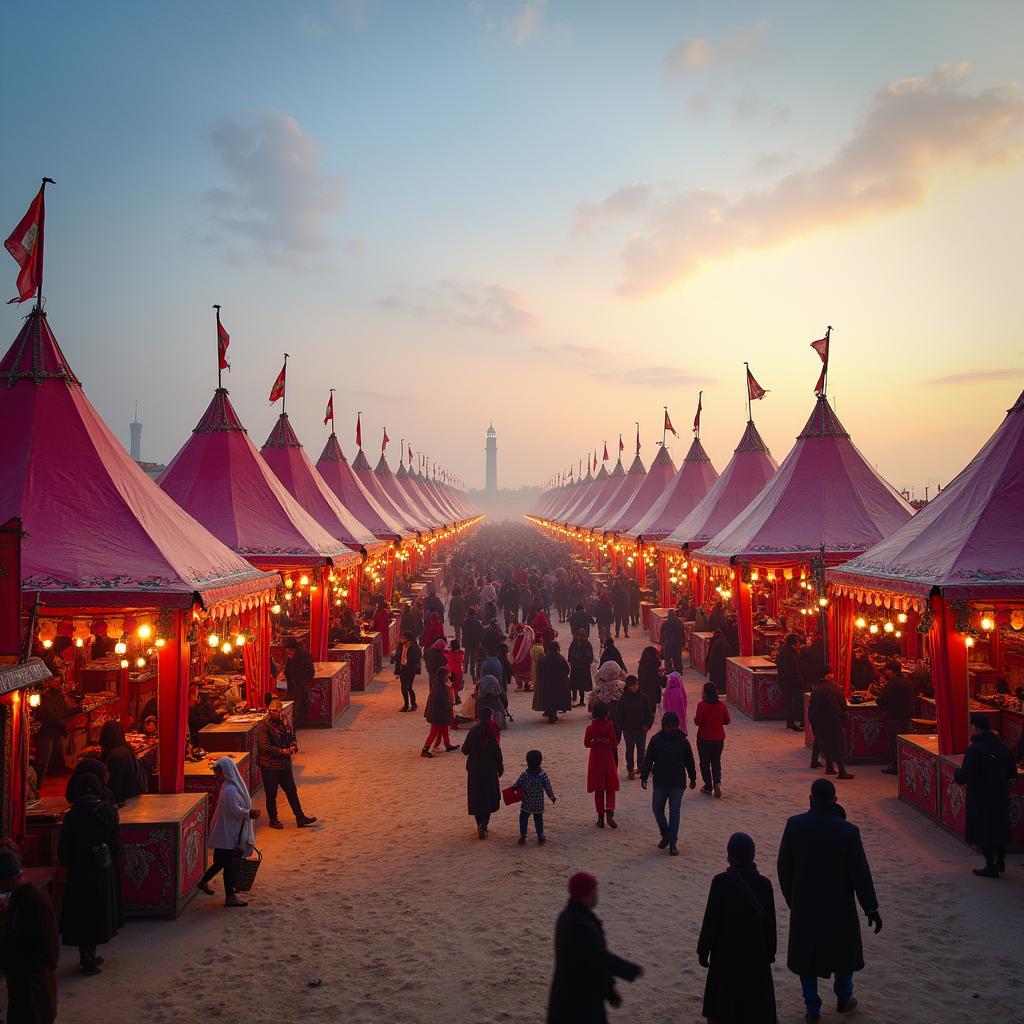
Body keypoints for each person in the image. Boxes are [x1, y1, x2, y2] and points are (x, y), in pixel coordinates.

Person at [777, 779, 882, 1020]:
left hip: (805, 904)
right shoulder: (848, 831)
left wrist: (792, 897)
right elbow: (860, 873)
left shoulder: (795, 825)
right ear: (835, 800)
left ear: (810, 798)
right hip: (839, 906)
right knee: (843, 953)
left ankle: (812, 1007)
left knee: (807, 958)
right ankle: (844, 998)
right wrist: (871, 907)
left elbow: (784, 866)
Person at [696, 832, 777, 1024]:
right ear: (753, 856)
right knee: (755, 1009)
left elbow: (711, 921)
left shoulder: (720, 882)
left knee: (722, 1009)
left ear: (729, 856)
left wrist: (703, 950)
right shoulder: (765, 885)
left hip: (725, 956)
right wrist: (770, 952)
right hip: (756, 956)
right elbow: (770, 924)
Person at [546, 872, 642, 1024]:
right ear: (585, 895)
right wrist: (630, 970)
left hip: (573, 998)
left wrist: (610, 992)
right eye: (594, 891)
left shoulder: (568, 916)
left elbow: (593, 961)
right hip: (578, 1004)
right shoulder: (581, 925)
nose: (597, 894)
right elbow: (599, 958)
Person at [58, 774, 123, 974]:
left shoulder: (72, 816)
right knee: (97, 913)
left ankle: (86, 956)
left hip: (79, 872)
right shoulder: (107, 812)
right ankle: (90, 958)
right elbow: (115, 842)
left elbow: (64, 851)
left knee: (82, 913)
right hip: (101, 870)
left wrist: (72, 863)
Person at [0, 844, 59, 1022]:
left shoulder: (34, 901)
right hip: (22, 980)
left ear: (8, 879)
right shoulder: (18, 897)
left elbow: (49, 952)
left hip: (33, 983)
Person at [954, 713, 1018, 878]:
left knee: (984, 830)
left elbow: (966, 775)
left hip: (981, 796)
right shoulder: (1003, 747)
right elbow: (1012, 772)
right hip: (1000, 795)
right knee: (998, 827)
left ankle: (991, 864)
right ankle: (1000, 860)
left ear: (975, 727)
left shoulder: (975, 749)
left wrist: (957, 774)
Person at [197, 756, 261, 907]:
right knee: (228, 865)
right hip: (228, 833)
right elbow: (235, 811)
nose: (217, 776)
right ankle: (230, 897)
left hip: (226, 832)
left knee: (220, 862)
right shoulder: (231, 789)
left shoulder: (229, 787)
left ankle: (204, 882)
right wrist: (249, 813)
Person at [640, 711, 696, 855]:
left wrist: (693, 777)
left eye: (674, 726)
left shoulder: (683, 742)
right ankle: (667, 835)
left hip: (677, 783)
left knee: (674, 812)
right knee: (657, 809)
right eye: (669, 726)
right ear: (664, 726)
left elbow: (689, 761)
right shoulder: (656, 740)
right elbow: (648, 760)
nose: (672, 728)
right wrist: (644, 775)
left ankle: (672, 841)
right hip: (661, 781)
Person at [258, 699, 316, 828]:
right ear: (269, 711)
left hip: (284, 764)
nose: (277, 713)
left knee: (291, 790)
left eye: (279, 711)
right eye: (274, 711)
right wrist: (281, 751)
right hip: (269, 765)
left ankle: (300, 817)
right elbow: (264, 746)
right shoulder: (264, 726)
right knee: (271, 794)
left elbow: (290, 736)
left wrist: (293, 745)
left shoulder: (284, 722)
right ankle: (273, 820)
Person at [462, 706, 503, 839]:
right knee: (487, 797)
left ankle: (479, 824)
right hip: (490, 769)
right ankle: (484, 825)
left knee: (476, 797)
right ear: (490, 717)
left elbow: (465, 750)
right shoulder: (493, 730)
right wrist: (500, 767)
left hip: (475, 768)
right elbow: (497, 751)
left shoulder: (474, 730)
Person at [807, 673, 854, 779]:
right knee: (838, 745)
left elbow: (812, 709)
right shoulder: (836, 688)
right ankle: (842, 771)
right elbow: (843, 706)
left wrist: (814, 723)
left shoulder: (816, 690)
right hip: (833, 720)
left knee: (825, 743)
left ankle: (829, 767)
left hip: (820, 721)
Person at [875, 659, 915, 775]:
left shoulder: (892, 684)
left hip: (894, 718)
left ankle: (895, 767)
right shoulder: (908, 682)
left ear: (891, 671)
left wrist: (877, 698)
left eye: (886, 670)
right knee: (906, 743)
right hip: (907, 717)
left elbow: (883, 701)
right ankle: (906, 765)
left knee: (894, 743)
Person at [584, 703, 620, 829]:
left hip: (595, 761)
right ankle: (610, 811)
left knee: (599, 790)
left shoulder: (590, 728)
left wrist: (595, 741)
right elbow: (615, 744)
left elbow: (586, 744)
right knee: (610, 787)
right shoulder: (610, 726)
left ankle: (600, 818)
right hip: (608, 759)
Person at [694, 681, 731, 798]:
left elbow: (697, 721)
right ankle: (717, 782)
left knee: (704, 763)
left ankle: (708, 786)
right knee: (716, 761)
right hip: (719, 739)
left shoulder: (702, 705)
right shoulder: (722, 705)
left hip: (704, 738)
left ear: (704, 692)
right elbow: (727, 721)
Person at [614, 675, 654, 781]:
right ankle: (630, 769)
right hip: (628, 731)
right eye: (633, 685)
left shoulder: (643, 697)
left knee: (641, 750)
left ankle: (641, 768)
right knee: (630, 750)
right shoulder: (623, 699)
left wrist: (647, 725)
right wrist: (623, 727)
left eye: (636, 684)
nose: (636, 687)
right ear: (628, 686)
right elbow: (618, 716)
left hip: (642, 730)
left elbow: (649, 714)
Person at [98, 721, 146, 805]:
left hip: (123, 800)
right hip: (132, 796)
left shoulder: (117, 755)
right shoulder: (125, 748)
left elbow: (114, 783)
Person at [514, 749, 556, 845]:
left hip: (527, 803)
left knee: (523, 818)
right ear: (540, 762)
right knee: (538, 819)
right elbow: (548, 787)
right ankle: (540, 835)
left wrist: (513, 790)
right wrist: (552, 796)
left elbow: (516, 785)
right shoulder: (543, 775)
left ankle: (523, 836)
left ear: (527, 762)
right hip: (538, 803)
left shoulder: (524, 775)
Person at [32, 673, 67, 789]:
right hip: (46, 733)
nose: (57, 684)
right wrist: (61, 724)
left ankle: (38, 787)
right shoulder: (44, 697)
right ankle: (36, 788)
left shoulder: (59, 697)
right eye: (55, 681)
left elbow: (63, 713)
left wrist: (80, 707)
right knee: (42, 762)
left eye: (59, 682)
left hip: (55, 732)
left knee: (51, 759)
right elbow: (49, 715)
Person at [422, 669, 459, 757]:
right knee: (434, 732)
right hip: (438, 714)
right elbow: (445, 701)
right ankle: (425, 749)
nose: (448, 677)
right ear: (443, 676)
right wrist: (451, 706)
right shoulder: (441, 687)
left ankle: (447, 745)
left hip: (437, 712)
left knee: (444, 728)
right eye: (447, 675)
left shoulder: (437, 685)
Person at [538, 641, 572, 724]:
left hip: (548, 682)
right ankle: (553, 714)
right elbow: (567, 670)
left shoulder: (545, 659)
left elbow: (540, 671)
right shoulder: (560, 658)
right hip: (559, 683)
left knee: (549, 698)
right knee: (556, 698)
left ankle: (550, 714)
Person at [776, 634, 805, 731]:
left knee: (789, 702)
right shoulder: (791, 655)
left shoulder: (784, 651)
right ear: (794, 643)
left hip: (784, 681)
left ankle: (790, 722)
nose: (799, 644)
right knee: (795, 702)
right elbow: (794, 670)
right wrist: (801, 682)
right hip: (792, 683)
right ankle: (794, 722)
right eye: (798, 642)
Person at [283, 638, 316, 712]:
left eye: (289, 651)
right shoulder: (290, 658)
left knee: (298, 707)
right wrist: (284, 676)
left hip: (301, 686)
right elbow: (287, 671)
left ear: (293, 649)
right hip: (292, 686)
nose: (288, 654)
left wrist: (302, 681)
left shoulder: (305, 656)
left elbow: (310, 672)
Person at [394, 630, 421, 712]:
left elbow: (418, 657)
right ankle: (406, 705)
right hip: (402, 668)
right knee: (403, 688)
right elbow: (398, 657)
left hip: (410, 669)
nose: (402, 639)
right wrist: (397, 669)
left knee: (409, 687)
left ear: (408, 639)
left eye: (404, 638)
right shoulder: (400, 645)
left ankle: (413, 704)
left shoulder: (413, 646)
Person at [568, 629, 594, 706]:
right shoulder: (574, 643)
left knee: (581, 685)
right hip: (575, 666)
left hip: (583, 667)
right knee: (574, 683)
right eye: (580, 635)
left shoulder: (587, 644)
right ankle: (574, 697)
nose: (581, 637)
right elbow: (570, 652)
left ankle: (581, 701)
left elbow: (590, 656)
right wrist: (570, 660)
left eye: (582, 636)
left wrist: (586, 662)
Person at [636, 645, 664, 710]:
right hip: (652, 697)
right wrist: (662, 676)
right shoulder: (652, 668)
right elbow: (662, 682)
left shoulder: (642, 666)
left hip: (642, 694)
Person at [511, 623, 536, 691]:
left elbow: (514, 649)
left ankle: (519, 685)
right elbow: (530, 645)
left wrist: (515, 656)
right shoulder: (526, 637)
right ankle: (526, 684)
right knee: (526, 670)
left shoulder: (517, 638)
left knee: (518, 671)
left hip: (518, 658)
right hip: (526, 657)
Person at [659, 609, 685, 675]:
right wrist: (683, 643)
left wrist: (661, 642)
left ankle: (669, 670)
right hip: (677, 643)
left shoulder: (665, 623)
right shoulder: (679, 622)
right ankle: (678, 669)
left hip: (668, 643)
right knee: (677, 656)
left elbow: (662, 633)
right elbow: (682, 633)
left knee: (667, 657)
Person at [461, 607, 484, 680]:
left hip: (467, 641)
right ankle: (471, 670)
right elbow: (481, 631)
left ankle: (465, 667)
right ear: (474, 614)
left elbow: (463, 631)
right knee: (473, 656)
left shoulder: (465, 622)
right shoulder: (477, 622)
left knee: (467, 654)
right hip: (475, 642)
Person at [706, 629, 729, 694]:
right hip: (722, 664)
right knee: (721, 678)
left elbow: (711, 655)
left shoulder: (715, 643)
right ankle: (721, 689)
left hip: (715, 665)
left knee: (715, 679)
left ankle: (716, 689)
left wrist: (708, 665)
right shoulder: (724, 642)